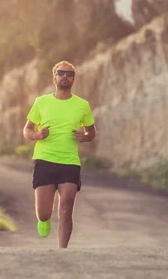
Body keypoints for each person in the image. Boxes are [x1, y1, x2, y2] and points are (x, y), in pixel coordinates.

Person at [23, 60, 97, 248]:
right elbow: (27, 130)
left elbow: (92, 132)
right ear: (54, 77)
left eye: (69, 74)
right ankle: (44, 219)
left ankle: (62, 251)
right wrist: (37, 135)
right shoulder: (42, 102)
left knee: (66, 208)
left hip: (69, 161)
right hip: (45, 160)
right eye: (62, 73)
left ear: (74, 79)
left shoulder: (82, 105)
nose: (65, 76)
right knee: (44, 212)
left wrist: (84, 137)